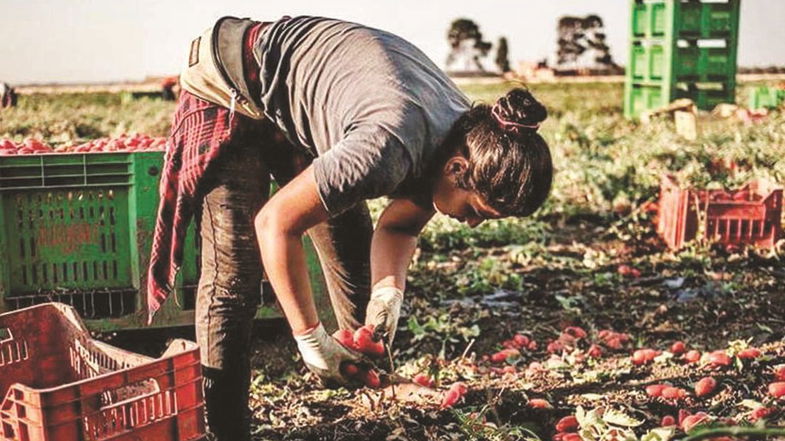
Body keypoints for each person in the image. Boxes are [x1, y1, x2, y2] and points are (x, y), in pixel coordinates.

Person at [147, 15, 553, 441]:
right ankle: (228, 430)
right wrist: (309, 338)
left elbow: (400, 228)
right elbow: (275, 223)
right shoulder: (387, 146)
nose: (470, 224)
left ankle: (371, 383)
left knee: (351, 250)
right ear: (457, 169)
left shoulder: (469, 138)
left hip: (298, 96)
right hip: (232, 81)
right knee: (235, 274)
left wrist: (387, 295)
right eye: (477, 212)